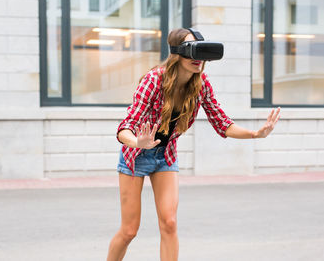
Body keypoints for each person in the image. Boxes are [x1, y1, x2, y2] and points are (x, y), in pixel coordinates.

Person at [106, 28, 280, 261]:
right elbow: (125, 126)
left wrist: (255, 134)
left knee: (169, 223)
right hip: (135, 156)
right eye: (191, 51)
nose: (198, 58)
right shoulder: (154, 79)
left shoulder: (201, 84)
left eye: (201, 50)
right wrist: (138, 141)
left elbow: (222, 123)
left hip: (165, 156)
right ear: (177, 53)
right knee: (129, 230)